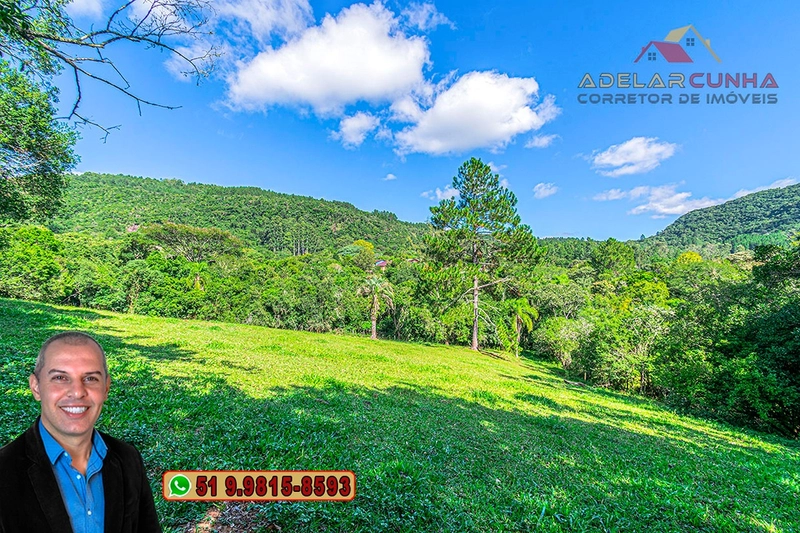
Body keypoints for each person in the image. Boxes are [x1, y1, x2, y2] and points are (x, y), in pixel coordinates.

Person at [0, 331, 162, 533]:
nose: (77, 392)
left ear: (106, 388)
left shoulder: (128, 459)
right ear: (36, 387)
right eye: (60, 377)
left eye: (91, 378)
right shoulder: (4, 471)